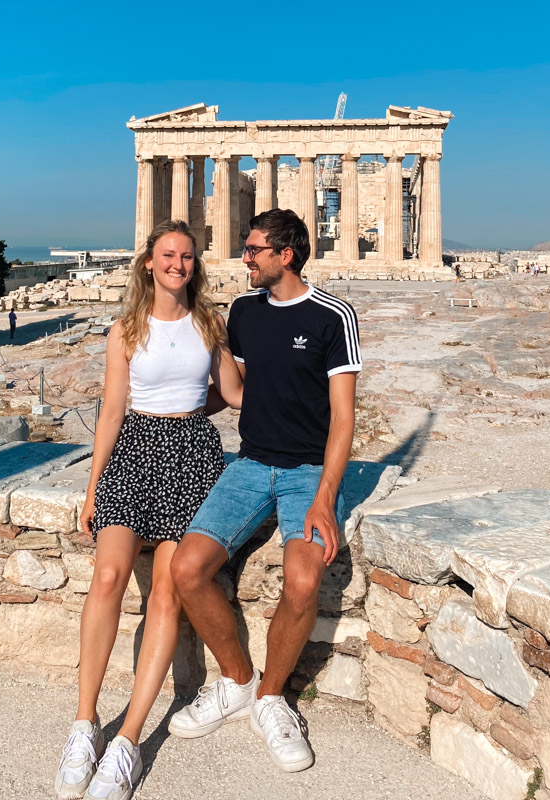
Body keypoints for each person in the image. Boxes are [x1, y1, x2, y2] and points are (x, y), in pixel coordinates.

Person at [54, 220, 243, 800]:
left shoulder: (210, 324)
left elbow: (235, 393)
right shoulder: (125, 330)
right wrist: (92, 488)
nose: (178, 265)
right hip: (134, 454)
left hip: (190, 454)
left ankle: (128, 741)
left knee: (165, 593)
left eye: (187, 257)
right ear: (148, 263)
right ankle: (85, 724)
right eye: (168, 255)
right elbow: (111, 412)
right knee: (107, 576)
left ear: (195, 265)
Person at [169, 208, 361, 772]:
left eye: (253, 249)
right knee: (187, 569)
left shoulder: (334, 316)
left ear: (286, 255)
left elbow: (345, 418)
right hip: (251, 464)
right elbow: (238, 387)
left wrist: (325, 498)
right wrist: (172, 415)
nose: (244, 257)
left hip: (307, 471)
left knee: (303, 580)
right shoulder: (244, 311)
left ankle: (271, 698)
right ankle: (236, 681)